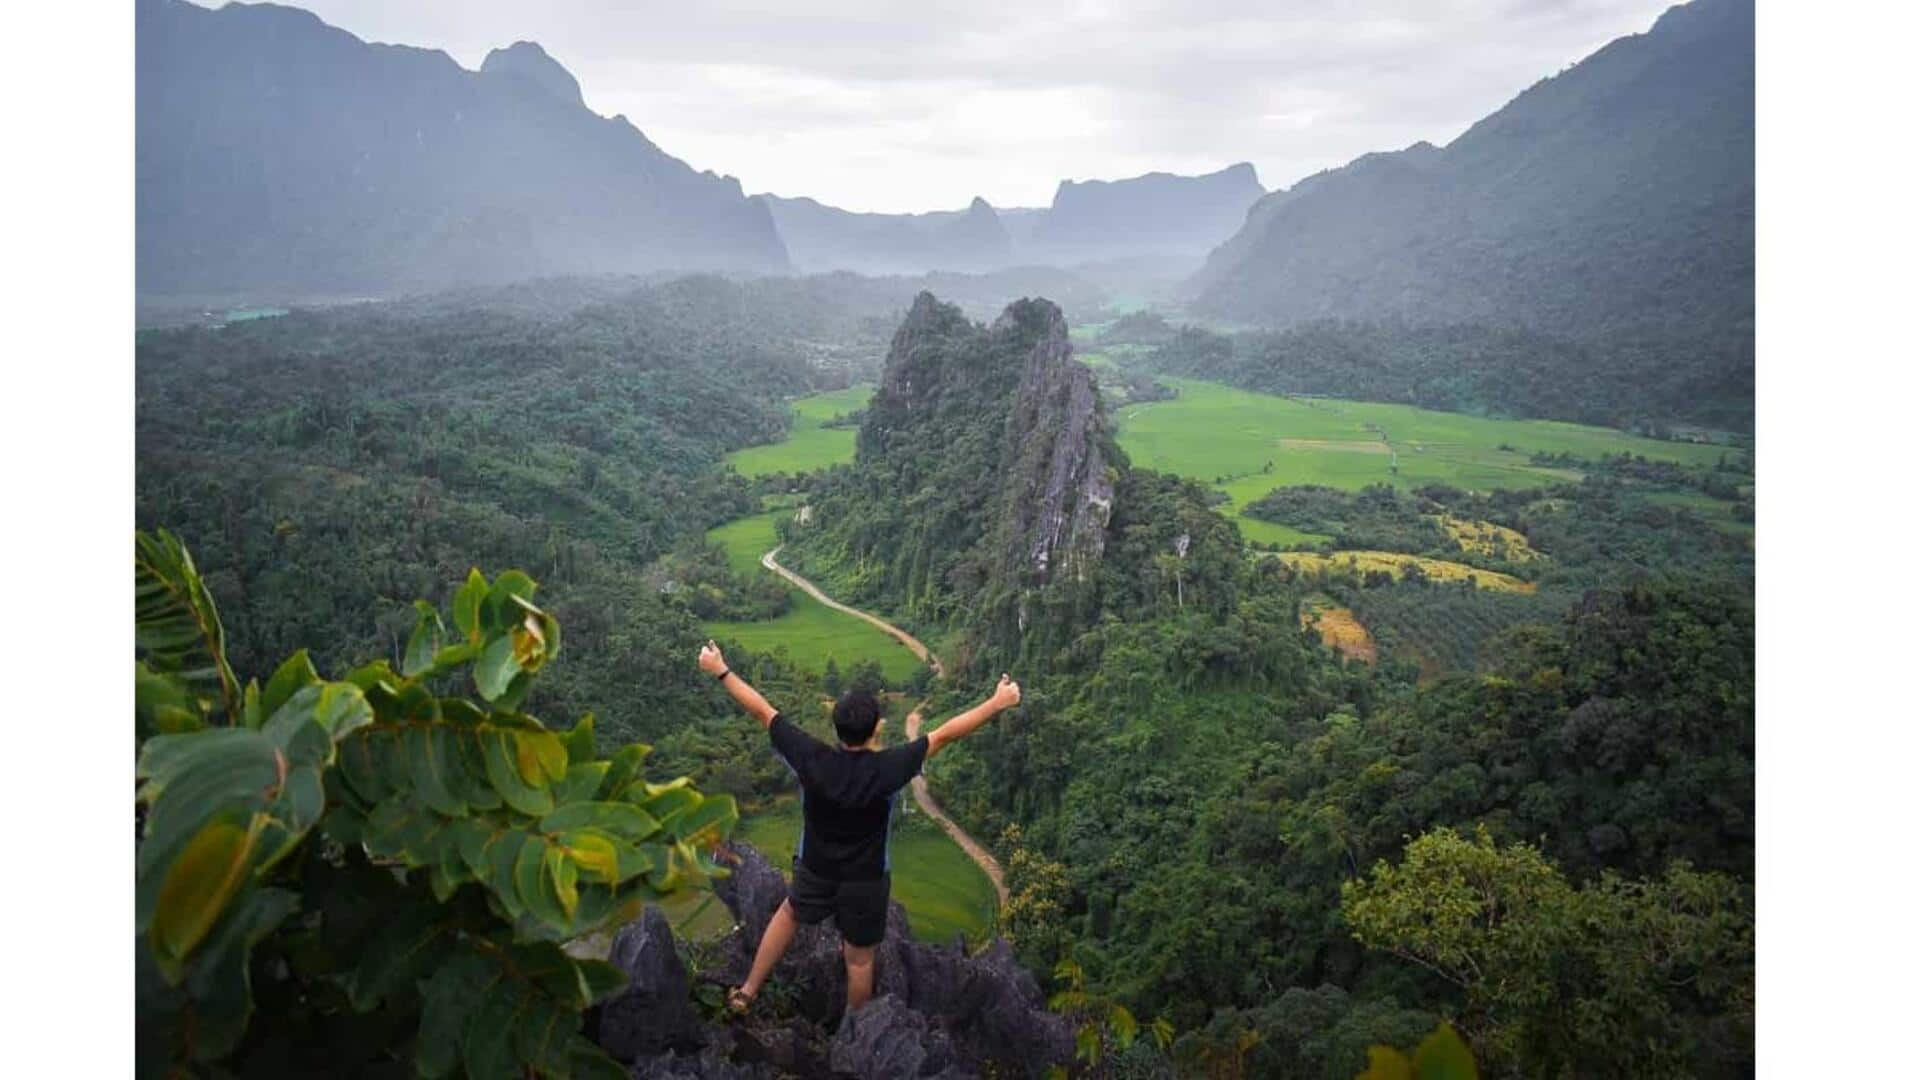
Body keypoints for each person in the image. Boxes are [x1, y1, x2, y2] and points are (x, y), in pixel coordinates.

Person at [696, 639, 1021, 1016]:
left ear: (836, 725)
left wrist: (720, 669)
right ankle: (858, 1030)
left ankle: (748, 991)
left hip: (816, 868)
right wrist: (998, 703)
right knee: (860, 961)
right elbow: (946, 734)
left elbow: (762, 711)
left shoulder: (811, 756)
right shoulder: (887, 768)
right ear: (877, 728)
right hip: (865, 880)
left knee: (788, 914)